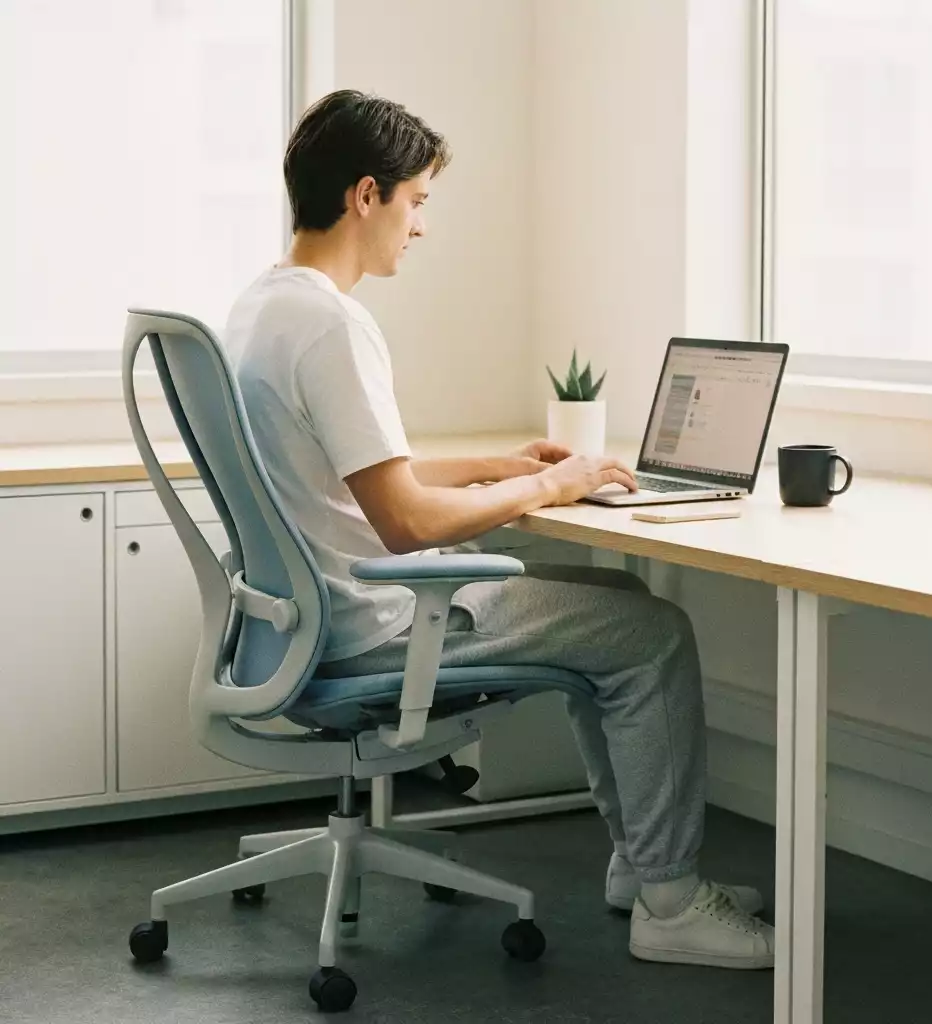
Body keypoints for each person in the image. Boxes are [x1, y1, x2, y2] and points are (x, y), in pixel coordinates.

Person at [224, 89, 774, 970]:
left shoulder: (263, 308)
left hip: (307, 619)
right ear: (368, 195)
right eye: (419, 201)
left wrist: (496, 467)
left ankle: (643, 865)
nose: (422, 226)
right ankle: (671, 904)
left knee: (618, 598)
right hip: (377, 625)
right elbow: (403, 522)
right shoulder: (331, 325)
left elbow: (353, 479)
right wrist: (553, 485)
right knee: (654, 633)